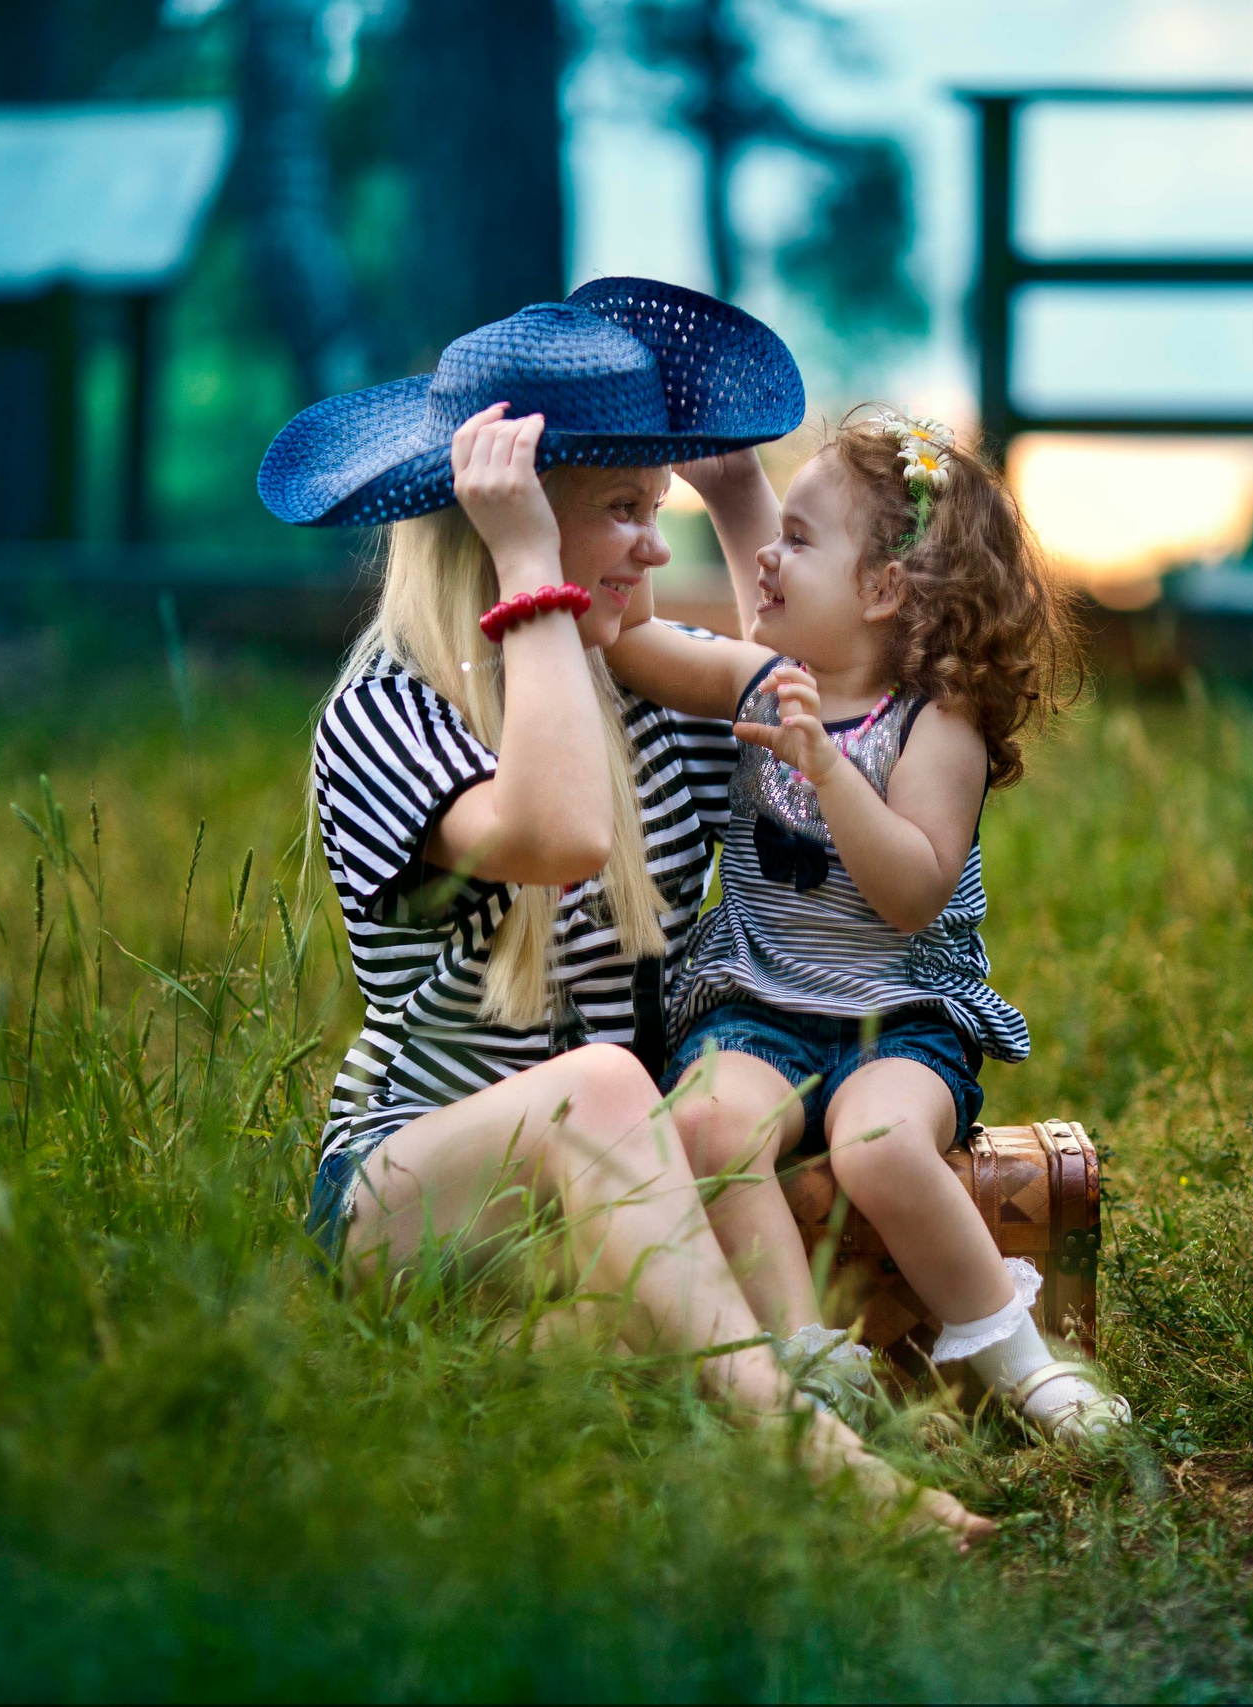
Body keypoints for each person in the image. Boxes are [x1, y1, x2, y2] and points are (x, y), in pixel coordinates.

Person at [259, 278, 989, 1543]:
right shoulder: (388, 710)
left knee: (609, 1314)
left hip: (625, 1189)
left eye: (657, 512)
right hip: (423, 1187)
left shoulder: (649, 692)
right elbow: (557, 836)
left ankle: (598, 1387)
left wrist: (745, 500)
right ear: (504, 528)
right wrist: (532, 573)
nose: (657, 550)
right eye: (621, 514)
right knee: (605, 1082)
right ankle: (818, 1464)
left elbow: (816, 687)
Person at [606, 411, 1129, 1445]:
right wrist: (720, 488)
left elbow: (911, 893)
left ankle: (1015, 1356)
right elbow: (629, 645)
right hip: (758, 1008)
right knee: (706, 1130)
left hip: (899, 1020)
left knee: (882, 1148)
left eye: (797, 542)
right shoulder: (767, 677)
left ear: (885, 590)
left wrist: (827, 769)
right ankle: (807, 1366)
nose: (767, 559)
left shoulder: (939, 721)